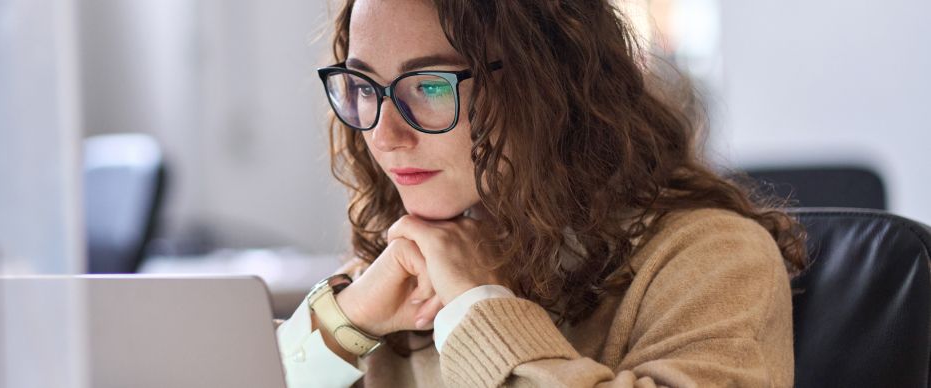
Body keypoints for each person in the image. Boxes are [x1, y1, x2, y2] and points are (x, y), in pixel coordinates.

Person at [274, 0, 807, 387]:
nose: (385, 136)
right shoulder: (411, 255)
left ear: (548, 86)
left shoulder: (717, 259)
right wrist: (346, 323)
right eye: (364, 88)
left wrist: (477, 304)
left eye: (430, 86)